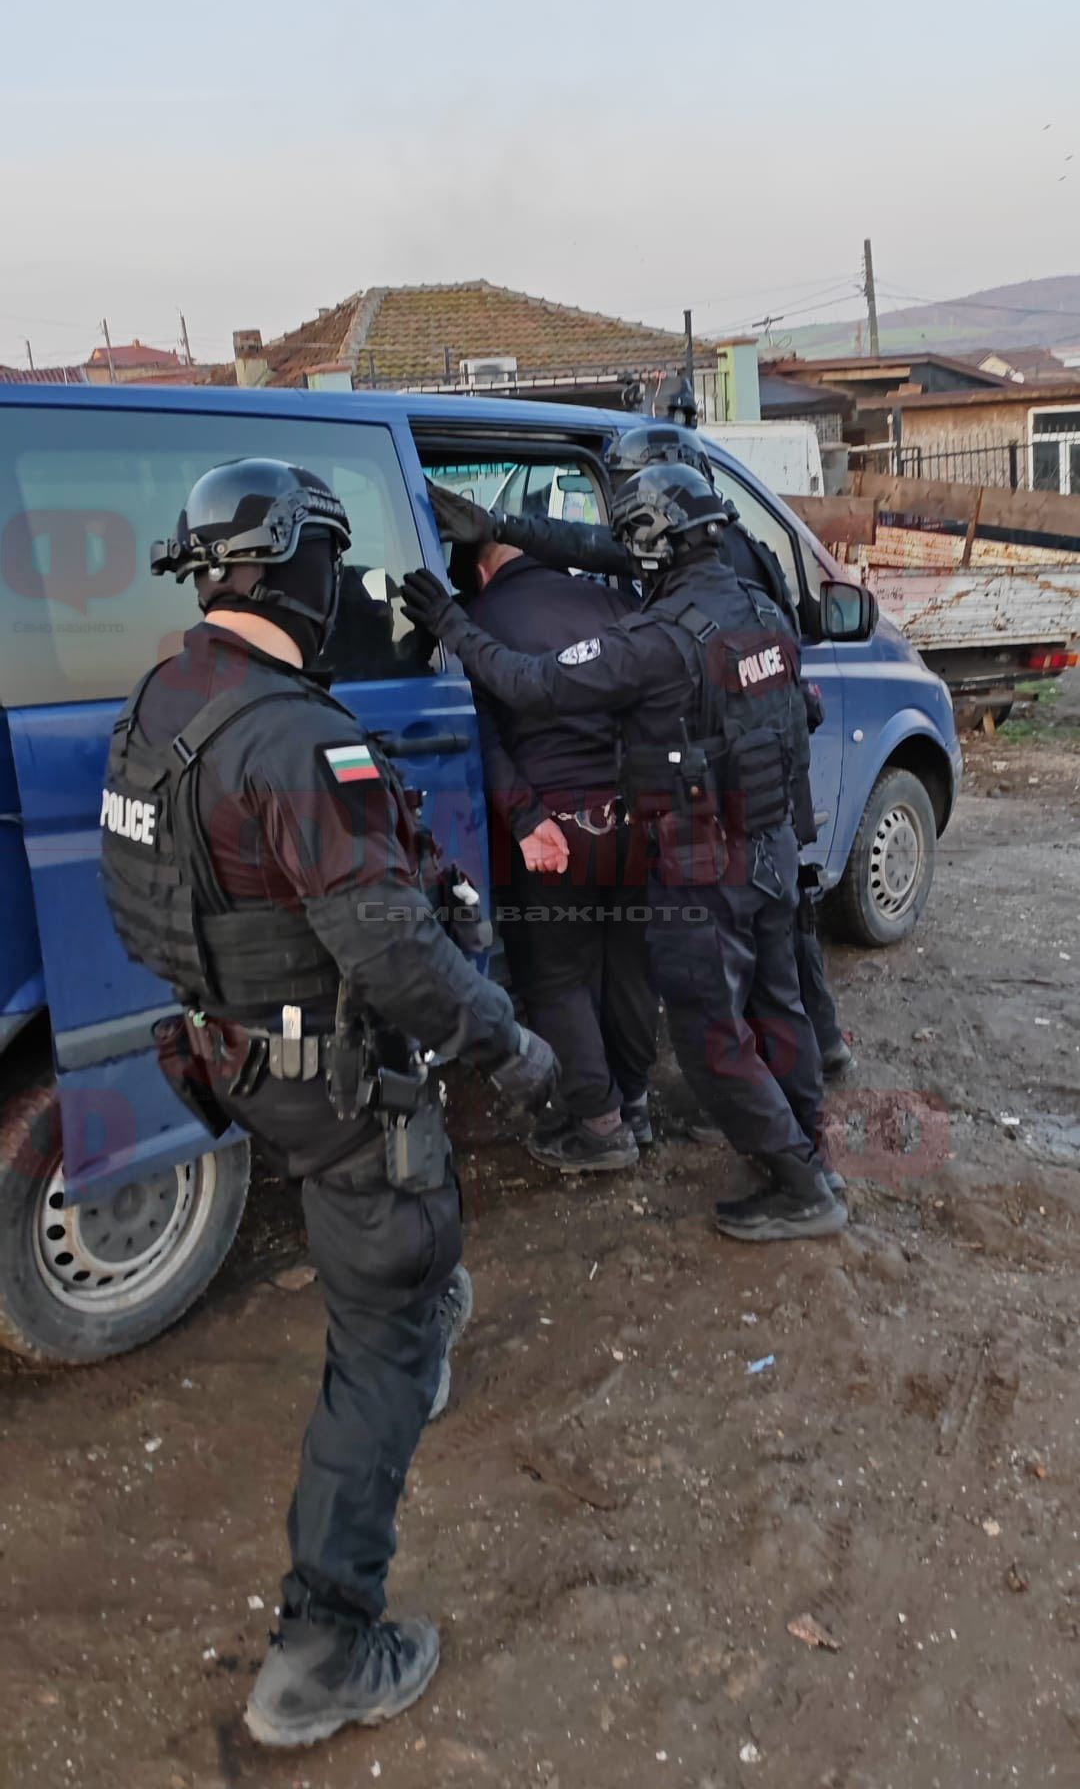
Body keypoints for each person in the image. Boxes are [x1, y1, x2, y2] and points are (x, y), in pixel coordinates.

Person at [98, 459, 556, 1750]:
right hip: (337, 1084)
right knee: (382, 1332)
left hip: (240, 1059)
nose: (344, 588)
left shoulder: (167, 698)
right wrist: (509, 1045)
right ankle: (324, 1652)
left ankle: (423, 1321)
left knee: (396, 1274)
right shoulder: (297, 738)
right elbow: (393, 957)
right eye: (333, 564)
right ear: (296, 566)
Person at [404, 463, 847, 1242]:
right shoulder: (763, 610)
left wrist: (452, 622)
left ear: (650, 547)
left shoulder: (656, 640)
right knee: (779, 1008)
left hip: (704, 864)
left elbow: (533, 684)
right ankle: (813, 1153)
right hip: (772, 848)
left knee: (710, 1035)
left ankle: (801, 1184)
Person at [465, 535, 658, 1172]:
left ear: (481, 570)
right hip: (633, 816)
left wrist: (524, 817)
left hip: (558, 828)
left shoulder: (480, 621)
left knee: (556, 973)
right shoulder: (610, 601)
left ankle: (599, 1127)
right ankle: (634, 1103)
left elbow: (485, 738)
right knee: (628, 963)